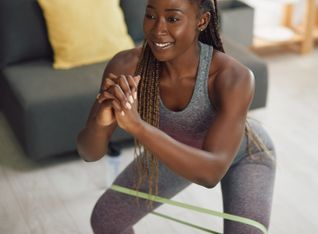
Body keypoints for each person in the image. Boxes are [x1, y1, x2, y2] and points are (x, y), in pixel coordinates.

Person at [76, 0, 276, 233]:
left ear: (201, 21)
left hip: (245, 154)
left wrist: (137, 127)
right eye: (151, 16)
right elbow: (89, 153)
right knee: (105, 220)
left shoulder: (233, 77)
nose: (157, 29)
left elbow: (210, 174)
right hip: (175, 146)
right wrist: (100, 123)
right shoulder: (126, 66)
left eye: (172, 19)